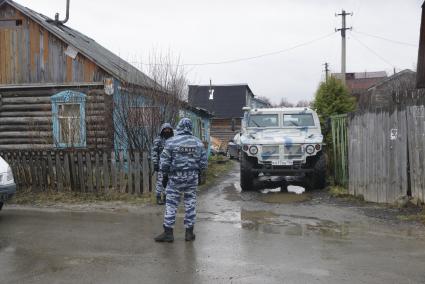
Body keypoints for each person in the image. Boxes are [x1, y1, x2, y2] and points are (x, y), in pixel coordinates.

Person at [154, 118, 208, 242]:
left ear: (178, 127)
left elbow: (164, 162)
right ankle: (189, 233)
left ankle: (168, 233)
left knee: (171, 204)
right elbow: (204, 164)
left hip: (175, 178)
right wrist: (199, 174)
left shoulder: (171, 142)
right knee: (190, 204)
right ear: (190, 128)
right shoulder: (198, 143)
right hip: (192, 177)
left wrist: (165, 176)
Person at [151, 123, 174, 205]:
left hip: (171, 166)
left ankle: (165, 197)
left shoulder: (173, 140)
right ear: (162, 130)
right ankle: (158, 197)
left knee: (168, 182)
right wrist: (155, 163)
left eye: (169, 129)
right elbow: (154, 152)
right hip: (161, 165)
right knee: (160, 182)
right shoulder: (158, 140)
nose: (167, 131)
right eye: (165, 129)